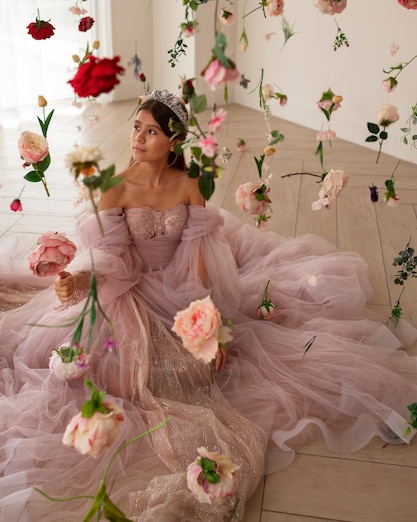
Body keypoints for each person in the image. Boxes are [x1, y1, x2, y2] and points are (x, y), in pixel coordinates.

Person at [1, 89, 417, 522]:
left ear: (174, 141)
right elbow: (110, 260)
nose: (139, 138)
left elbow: (197, 267)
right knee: (123, 371)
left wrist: (206, 325)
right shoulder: (115, 187)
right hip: (126, 291)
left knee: (198, 367)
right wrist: (79, 283)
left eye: (152, 131)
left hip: (178, 291)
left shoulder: (189, 186)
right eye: (137, 128)